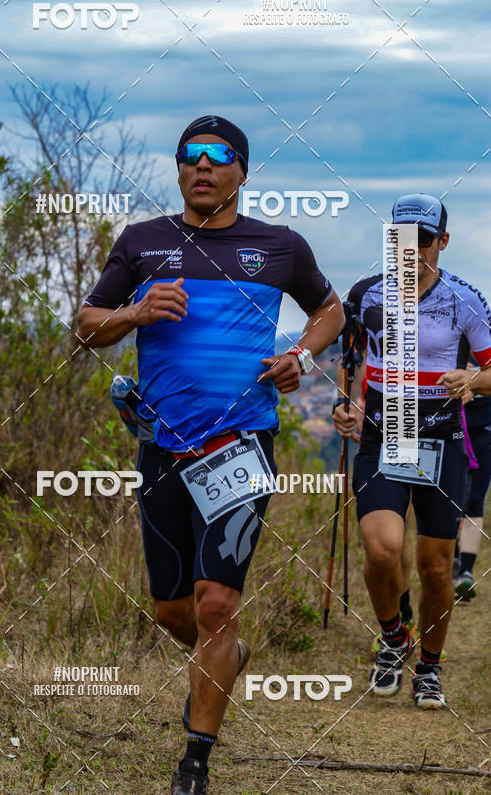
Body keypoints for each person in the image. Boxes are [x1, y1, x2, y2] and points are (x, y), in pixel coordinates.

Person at [77, 115, 344, 794]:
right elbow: (86, 327)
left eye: (218, 156)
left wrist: (301, 356)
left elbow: (331, 311)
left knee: (216, 602)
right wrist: (132, 315)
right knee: (175, 613)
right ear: (177, 169)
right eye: (189, 156)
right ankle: (224, 658)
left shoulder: (280, 245)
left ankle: (194, 761)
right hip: (163, 448)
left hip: (241, 446)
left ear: (242, 172)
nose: (203, 166)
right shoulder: (142, 243)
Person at [333, 193, 491, 709]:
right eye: (401, 238)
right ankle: (394, 637)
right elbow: (349, 356)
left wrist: (472, 377)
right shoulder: (366, 294)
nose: (411, 249)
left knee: (435, 567)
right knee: (381, 550)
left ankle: (430, 665)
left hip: (443, 439)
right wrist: (343, 404)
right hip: (384, 433)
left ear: (442, 242)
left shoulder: (465, 300)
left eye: (422, 240)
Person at [455, 385, 491, 600]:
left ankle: (465, 572)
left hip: (484, 425)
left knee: (475, 499)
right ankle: (452, 559)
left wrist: (474, 379)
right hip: (448, 425)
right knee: (450, 500)